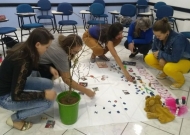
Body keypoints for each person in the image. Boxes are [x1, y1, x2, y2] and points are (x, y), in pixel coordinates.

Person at [0, 28, 57, 131]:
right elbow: (16, 95)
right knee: (48, 102)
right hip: (5, 97)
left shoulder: (25, 47)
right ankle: (15, 119)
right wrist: (43, 95)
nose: (47, 50)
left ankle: (27, 105)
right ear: (38, 44)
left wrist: (48, 68)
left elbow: (31, 65)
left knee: (48, 84)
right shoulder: (22, 61)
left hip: (14, 84)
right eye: (47, 47)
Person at [144, 17, 190, 89]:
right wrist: (160, 58)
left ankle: (180, 81)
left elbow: (175, 59)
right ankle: (165, 72)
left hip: (185, 60)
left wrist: (160, 55)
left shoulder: (178, 39)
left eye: (159, 35)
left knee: (168, 68)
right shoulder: (157, 36)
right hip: (168, 57)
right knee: (148, 58)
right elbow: (154, 49)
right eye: (155, 35)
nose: (157, 37)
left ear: (167, 32)